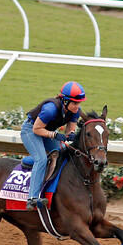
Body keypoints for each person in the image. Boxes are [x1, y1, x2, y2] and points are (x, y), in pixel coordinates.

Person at [20, 81, 86, 210]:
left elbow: (69, 130)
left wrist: (71, 135)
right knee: (41, 159)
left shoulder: (75, 111)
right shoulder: (50, 109)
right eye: (74, 103)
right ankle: (32, 198)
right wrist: (54, 135)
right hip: (31, 130)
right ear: (65, 101)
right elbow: (37, 129)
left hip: (45, 131)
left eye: (79, 103)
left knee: (62, 152)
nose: (77, 106)